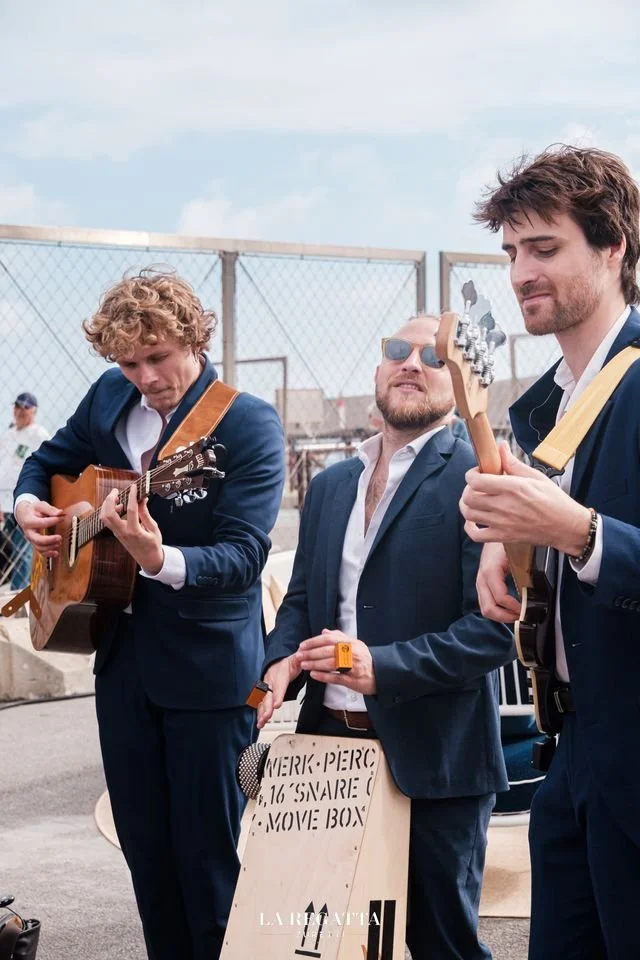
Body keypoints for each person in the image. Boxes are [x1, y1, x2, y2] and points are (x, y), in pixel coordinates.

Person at [13, 268, 285, 960]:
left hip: (209, 673)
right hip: (123, 661)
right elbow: (48, 460)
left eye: (158, 358)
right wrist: (27, 507)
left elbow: (246, 557)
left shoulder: (245, 423)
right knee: (148, 858)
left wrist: (159, 557)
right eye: (129, 363)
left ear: (194, 337)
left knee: (208, 865)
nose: (146, 377)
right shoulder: (111, 396)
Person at [257, 313, 515, 960]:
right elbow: (302, 603)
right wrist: (279, 663)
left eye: (434, 357)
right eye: (398, 350)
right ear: (377, 368)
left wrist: (382, 668)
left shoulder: (482, 479)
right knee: (332, 942)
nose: (411, 363)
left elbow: (492, 636)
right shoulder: (328, 486)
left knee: (441, 945)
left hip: (436, 762)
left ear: (461, 384)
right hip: (328, 760)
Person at [461, 145, 640, 960]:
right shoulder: (544, 411)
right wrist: (511, 547)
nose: (520, 273)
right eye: (510, 254)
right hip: (569, 759)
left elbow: (590, 533)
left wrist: (578, 532)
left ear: (614, 248)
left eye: (544, 248)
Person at [0, 393, 49, 591]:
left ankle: (17, 592)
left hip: (23, 499)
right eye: (18, 406)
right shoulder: (9, 433)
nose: (20, 411)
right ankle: (10, 587)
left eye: (25, 408)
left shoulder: (38, 434)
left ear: (34, 411)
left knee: (23, 549)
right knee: (7, 549)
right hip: (4, 500)